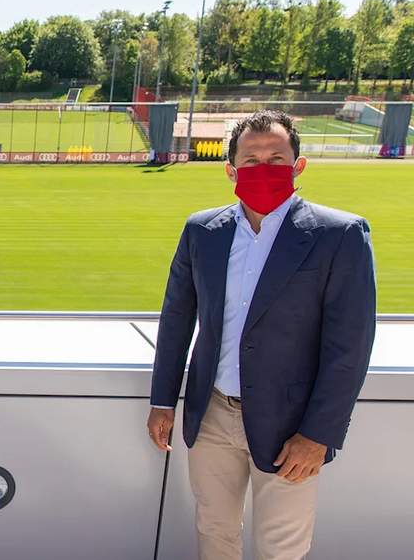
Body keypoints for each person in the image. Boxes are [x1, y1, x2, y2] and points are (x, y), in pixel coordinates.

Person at [147, 110, 376, 560]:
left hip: (291, 425)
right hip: (210, 413)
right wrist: (161, 400)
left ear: (299, 165)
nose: (263, 168)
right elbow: (177, 318)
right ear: (230, 169)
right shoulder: (201, 231)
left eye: (276, 157)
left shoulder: (340, 235)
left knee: (281, 547)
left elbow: (349, 347)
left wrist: (319, 434)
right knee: (214, 531)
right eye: (251, 160)